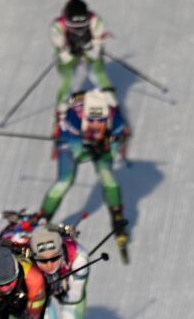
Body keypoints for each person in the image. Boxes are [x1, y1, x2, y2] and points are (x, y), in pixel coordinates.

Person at [40, 89, 131, 261]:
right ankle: (43, 217)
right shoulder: (73, 119)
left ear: (108, 117)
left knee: (108, 177)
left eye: (101, 121)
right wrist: (91, 145)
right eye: (91, 120)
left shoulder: (116, 121)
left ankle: (117, 216)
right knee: (65, 180)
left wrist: (107, 145)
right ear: (84, 117)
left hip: (93, 144)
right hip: (70, 141)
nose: (96, 125)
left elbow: (116, 144)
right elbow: (79, 154)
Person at [51, 0, 113, 106]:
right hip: (68, 51)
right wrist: (70, 51)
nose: (79, 30)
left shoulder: (96, 21)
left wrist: (90, 46)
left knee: (97, 73)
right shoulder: (57, 26)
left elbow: (96, 50)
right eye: (74, 27)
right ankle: (62, 107)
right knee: (68, 77)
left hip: (90, 47)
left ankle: (111, 102)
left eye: (83, 25)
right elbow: (62, 53)